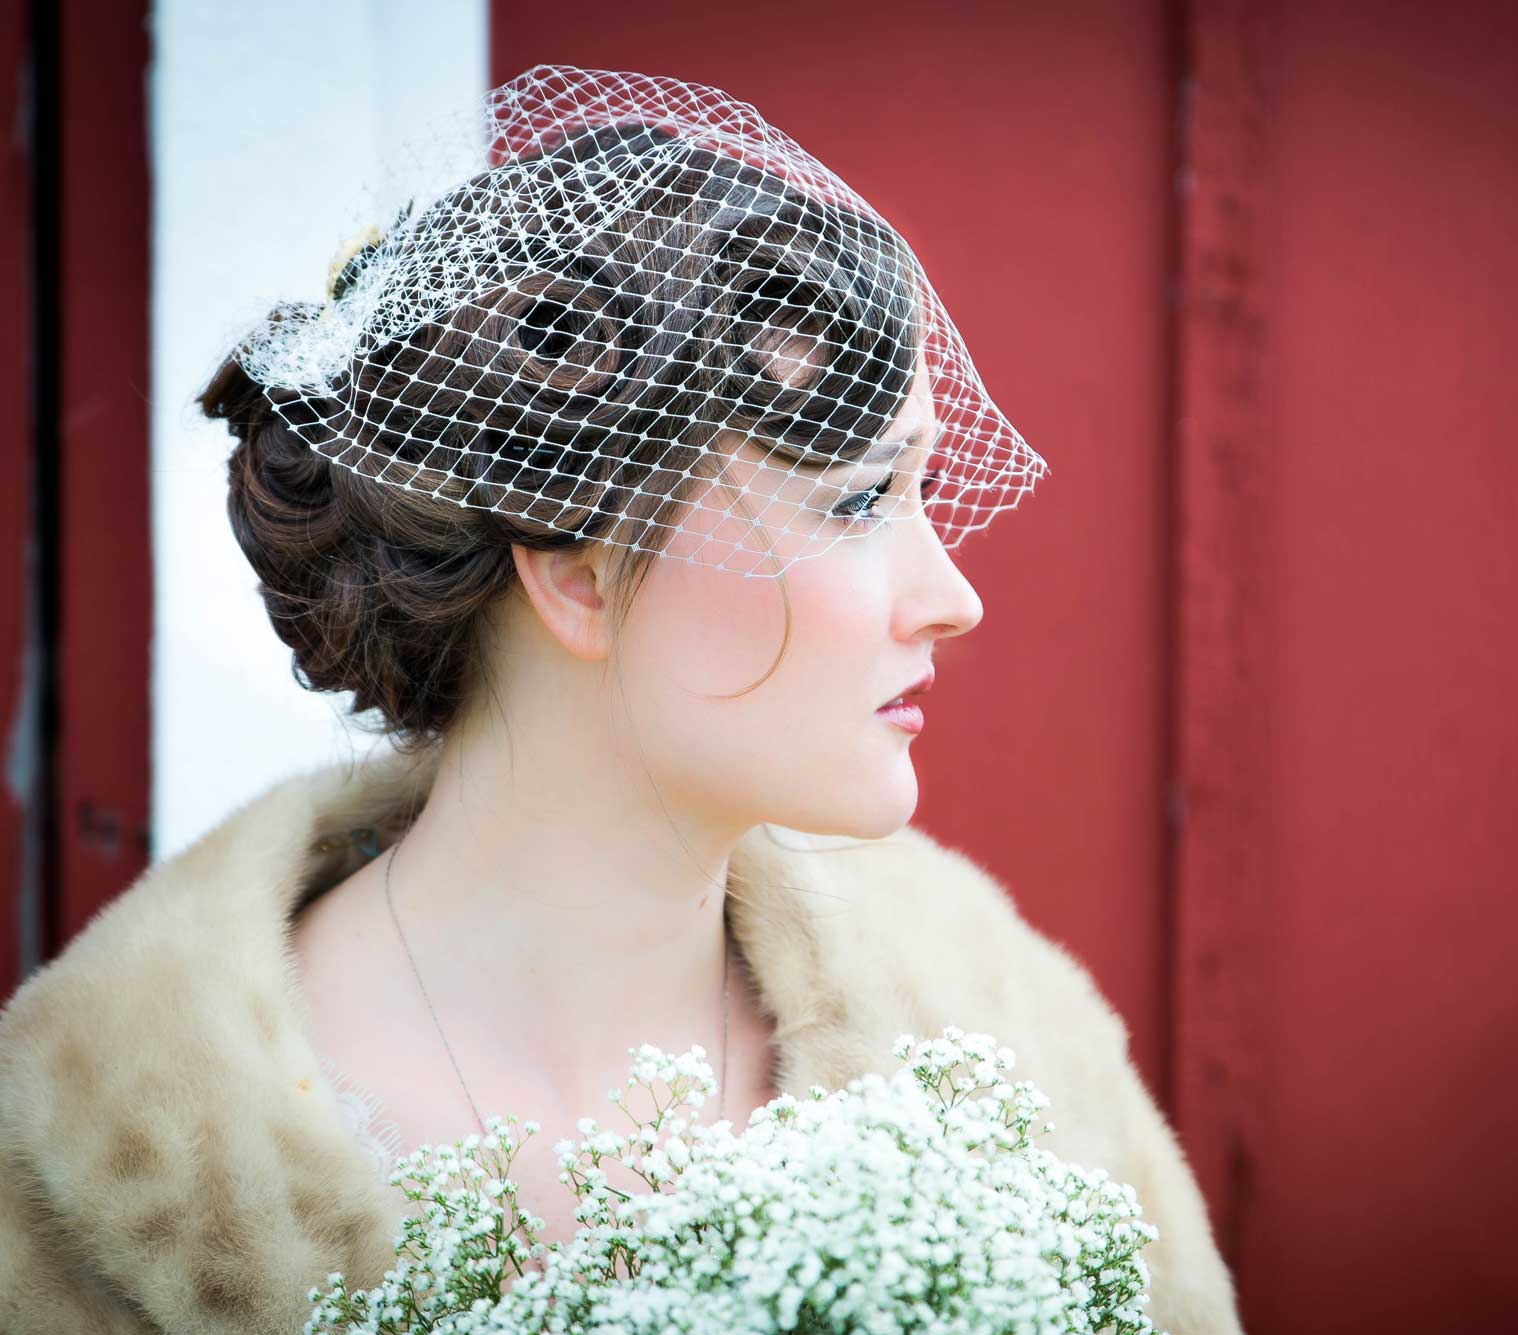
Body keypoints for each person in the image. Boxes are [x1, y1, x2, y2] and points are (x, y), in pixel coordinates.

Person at [0, 66, 1244, 1334]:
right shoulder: (82, 1178)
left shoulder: (1002, 1035)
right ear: (581, 577)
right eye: (862, 501)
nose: (953, 598)